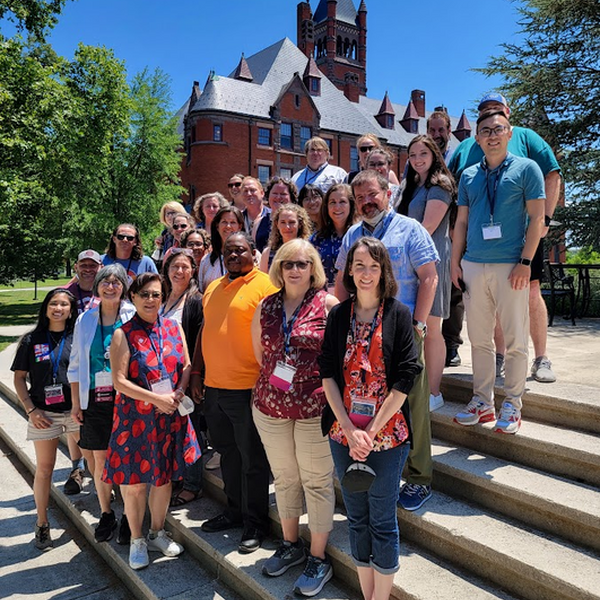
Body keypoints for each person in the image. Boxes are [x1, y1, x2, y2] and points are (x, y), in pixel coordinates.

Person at [320, 238, 421, 600]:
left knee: (382, 520)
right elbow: (328, 373)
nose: (366, 273)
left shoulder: (399, 314)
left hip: (387, 435)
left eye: (373, 266)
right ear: (348, 270)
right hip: (342, 433)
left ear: (384, 271)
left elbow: (406, 377)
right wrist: (349, 429)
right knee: (356, 518)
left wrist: (371, 431)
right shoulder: (337, 315)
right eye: (359, 265)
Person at [334, 170, 439, 512]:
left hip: (402, 332)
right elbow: (340, 283)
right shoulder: (352, 234)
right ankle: (375, 467)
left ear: (388, 193)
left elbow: (429, 277)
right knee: (368, 403)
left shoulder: (411, 229)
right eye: (359, 197)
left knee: (412, 404)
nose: (366, 202)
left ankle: (420, 478)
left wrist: (419, 324)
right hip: (361, 334)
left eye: (372, 195)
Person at [448, 93, 562, 382]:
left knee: (532, 293)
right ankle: (498, 358)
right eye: (484, 113)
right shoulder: (465, 148)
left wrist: (544, 219)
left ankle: (541, 358)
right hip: (479, 247)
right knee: (490, 302)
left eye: (496, 112)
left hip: (521, 238)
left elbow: (552, 174)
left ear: (507, 115)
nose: (491, 120)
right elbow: (450, 190)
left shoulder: (526, 137)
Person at [251, 239, 338, 596]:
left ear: (313, 267)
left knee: (316, 481)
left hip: (314, 408)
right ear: (279, 268)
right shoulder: (266, 305)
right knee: (285, 478)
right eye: (288, 263)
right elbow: (260, 354)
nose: (295, 269)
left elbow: (337, 359)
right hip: (270, 407)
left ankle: (319, 558)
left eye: (302, 263)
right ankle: (290, 544)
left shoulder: (328, 304)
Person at [451, 109, 545, 434]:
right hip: (473, 265)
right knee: (479, 339)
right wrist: (455, 261)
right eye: (486, 130)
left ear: (509, 133)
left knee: (516, 339)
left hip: (510, 266)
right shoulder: (468, 176)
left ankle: (513, 404)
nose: (492, 135)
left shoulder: (527, 169)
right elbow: (461, 222)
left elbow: (538, 220)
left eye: (498, 129)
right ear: (477, 138)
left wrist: (525, 262)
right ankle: (482, 402)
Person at [103, 273, 201, 570]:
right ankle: (136, 539)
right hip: (135, 422)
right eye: (144, 294)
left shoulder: (173, 327)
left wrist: (180, 390)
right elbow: (119, 382)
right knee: (134, 485)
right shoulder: (123, 334)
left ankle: (157, 531)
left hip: (168, 417)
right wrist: (155, 398)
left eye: (156, 294)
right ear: (132, 297)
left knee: (164, 479)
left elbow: (185, 365)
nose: (150, 299)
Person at [190, 233, 278, 554]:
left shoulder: (266, 286)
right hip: (214, 388)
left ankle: (256, 522)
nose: (234, 255)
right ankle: (234, 510)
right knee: (227, 453)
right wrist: (197, 372)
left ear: (253, 254)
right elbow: (205, 331)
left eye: (240, 250)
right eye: (228, 251)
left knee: (252, 459)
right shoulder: (212, 287)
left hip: (248, 389)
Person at [68, 264, 135, 543]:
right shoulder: (84, 320)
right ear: (96, 286)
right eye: (105, 282)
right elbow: (75, 365)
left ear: (123, 287)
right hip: (94, 399)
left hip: (127, 399)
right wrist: (75, 403)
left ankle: (132, 513)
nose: (110, 286)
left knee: (129, 456)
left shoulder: (132, 315)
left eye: (116, 282)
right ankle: (107, 512)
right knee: (99, 458)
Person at [11, 289, 79, 549]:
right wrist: (30, 409)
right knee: (44, 469)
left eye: (64, 304)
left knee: (96, 463)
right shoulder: (31, 339)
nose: (58, 308)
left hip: (75, 411)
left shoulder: (78, 338)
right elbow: (18, 378)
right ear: (46, 308)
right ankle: (41, 523)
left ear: (71, 310)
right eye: (54, 303)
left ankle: (106, 514)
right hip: (43, 413)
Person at [398, 135, 456, 412]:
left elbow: (427, 228)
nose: (418, 159)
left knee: (432, 329)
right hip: (410, 263)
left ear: (434, 155)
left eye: (423, 153)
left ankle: (434, 392)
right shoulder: (411, 186)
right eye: (412, 155)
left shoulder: (440, 185)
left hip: (432, 263)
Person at [160, 249, 205, 507]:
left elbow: (199, 342)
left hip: (186, 378)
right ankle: (177, 475)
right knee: (172, 431)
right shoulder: (164, 299)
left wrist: (194, 376)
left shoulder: (195, 301)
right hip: (163, 381)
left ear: (193, 270)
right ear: (166, 271)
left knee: (191, 431)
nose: (179, 272)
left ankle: (192, 484)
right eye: (174, 267)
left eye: (185, 267)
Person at [61, 249, 101, 495]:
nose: (88, 269)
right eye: (84, 265)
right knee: (73, 417)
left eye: (92, 265)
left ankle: (97, 467)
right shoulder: (67, 293)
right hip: (72, 361)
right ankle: (77, 467)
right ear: (76, 266)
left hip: (98, 363)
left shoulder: (105, 290)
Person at [310, 183, 357, 289]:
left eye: (342, 202)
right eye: (332, 202)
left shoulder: (359, 236)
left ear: (351, 205)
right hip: (324, 299)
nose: (337, 207)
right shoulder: (317, 239)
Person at [197, 206, 244, 293]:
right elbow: (201, 292)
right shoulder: (206, 261)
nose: (228, 226)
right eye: (224, 222)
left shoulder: (253, 257)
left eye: (233, 222)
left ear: (240, 227)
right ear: (217, 226)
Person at [259, 204, 312, 272]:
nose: (287, 227)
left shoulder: (309, 251)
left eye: (291, 222)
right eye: (283, 222)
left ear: (300, 224)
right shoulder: (267, 253)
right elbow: (264, 280)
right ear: (277, 224)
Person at [63, 249, 102, 315]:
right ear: (76, 268)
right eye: (83, 265)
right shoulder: (64, 292)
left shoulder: (108, 292)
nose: (88, 270)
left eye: (93, 266)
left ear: (101, 268)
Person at [241, 177, 271, 252]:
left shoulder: (271, 217)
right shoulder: (238, 218)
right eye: (245, 191)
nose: (249, 194)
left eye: (252, 190)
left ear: (262, 193)